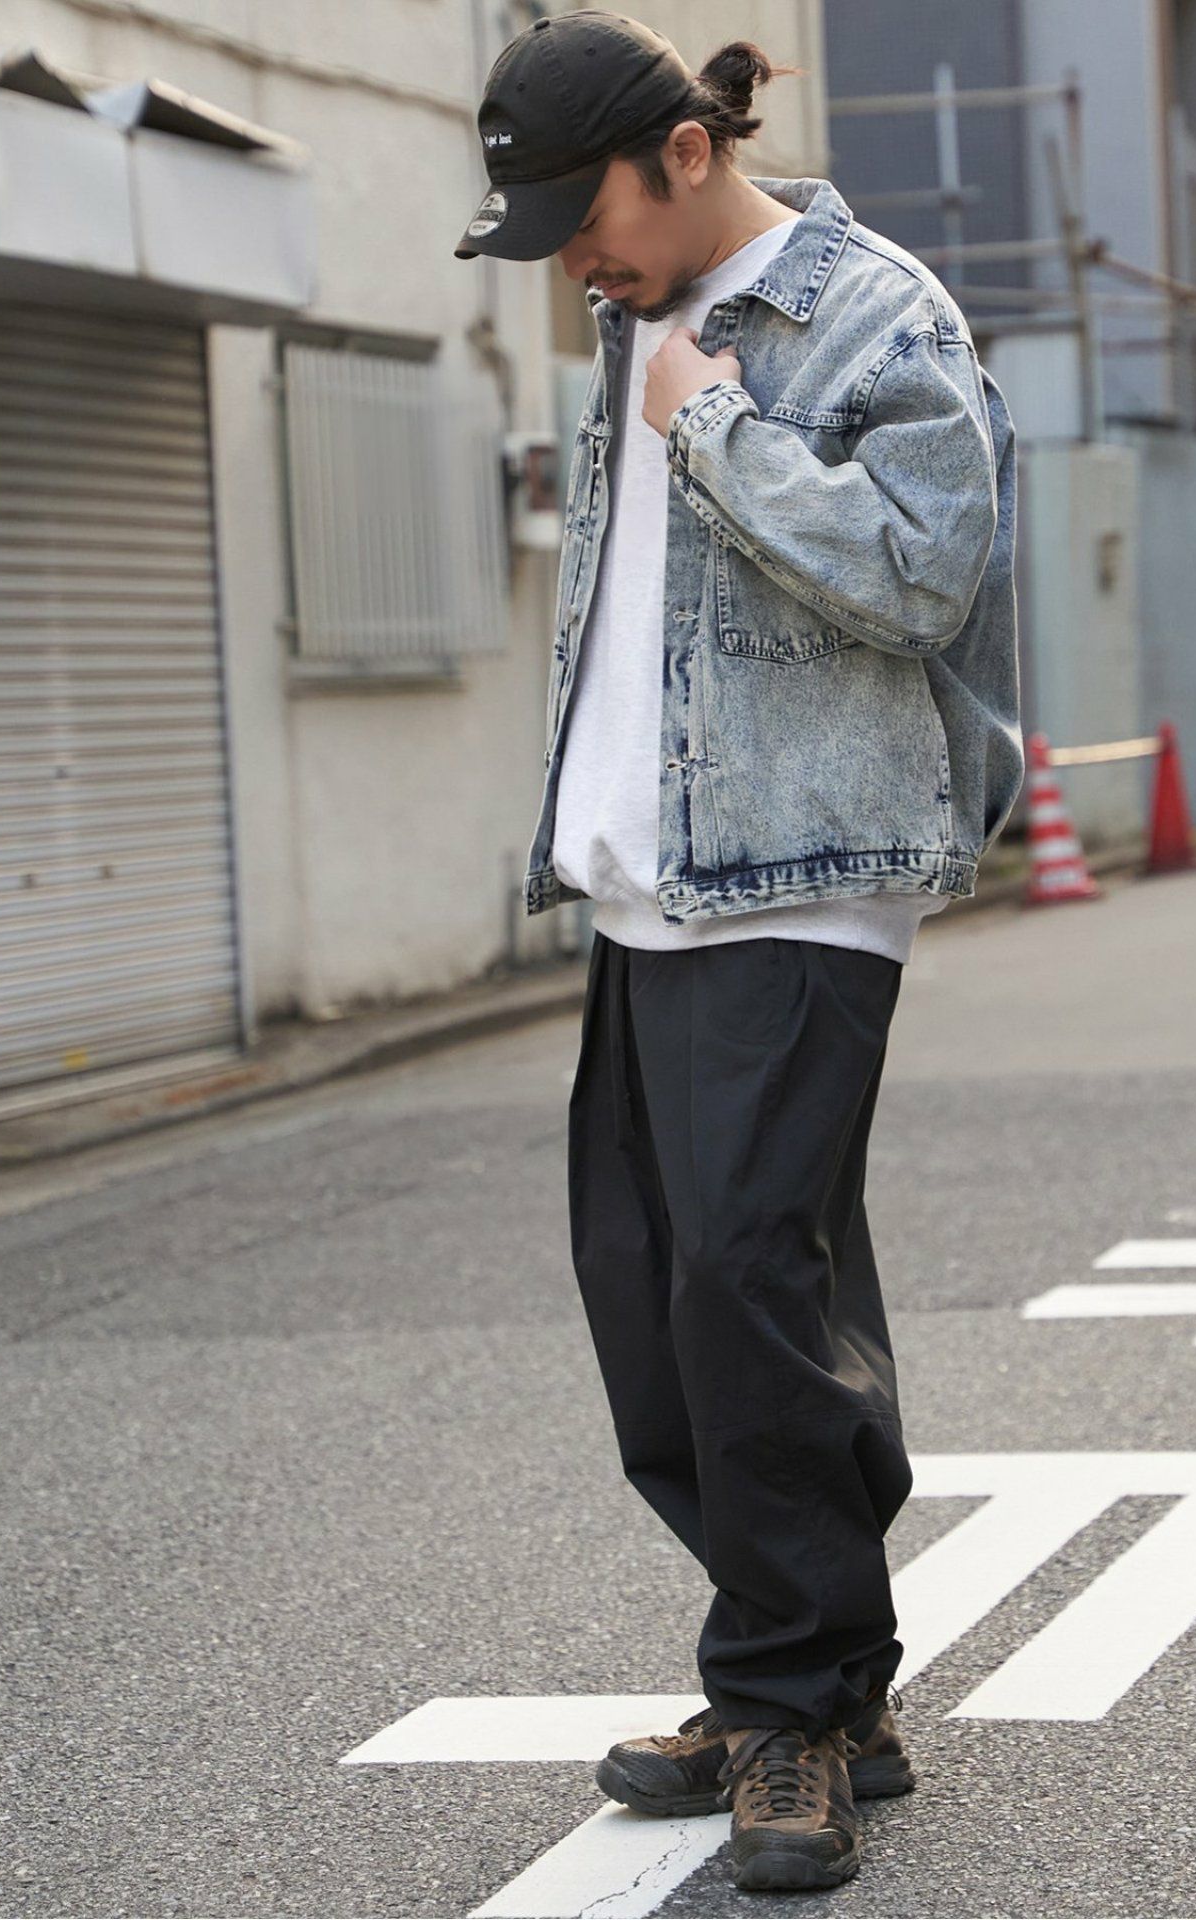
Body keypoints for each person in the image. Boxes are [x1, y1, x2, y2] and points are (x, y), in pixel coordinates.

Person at [455, 8, 1022, 1895]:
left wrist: (715, 426)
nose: (576, 264)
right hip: (650, 881)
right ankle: (817, 1672)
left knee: (743, 1285)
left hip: (799, 871)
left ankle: (790, 1703)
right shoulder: (636, 319)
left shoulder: (872, 313)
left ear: (685, 154)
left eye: (587, 219)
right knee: (657, 1292)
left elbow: (927, 572)